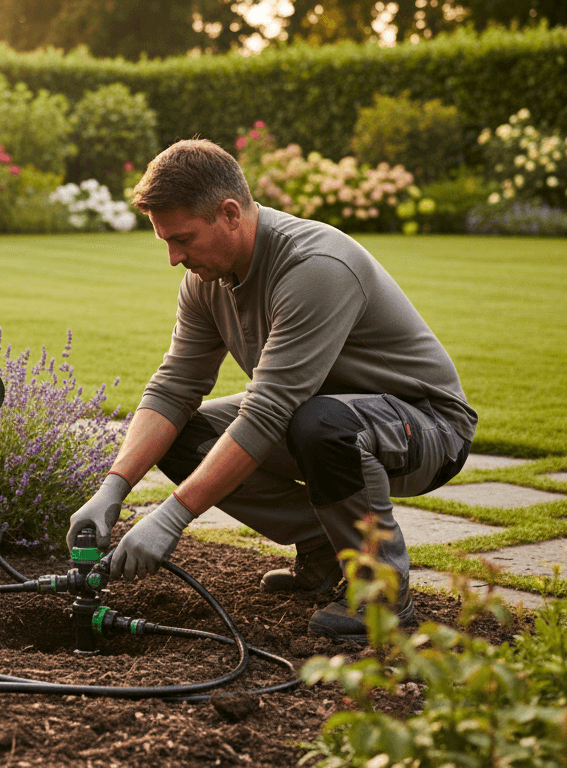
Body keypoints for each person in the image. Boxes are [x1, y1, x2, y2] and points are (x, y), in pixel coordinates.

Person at [67, 139, 476, 641]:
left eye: (184, 238)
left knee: (321, 425)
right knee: (185, 437)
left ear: (230, 213)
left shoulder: (315, 266)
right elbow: (174, 386)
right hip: (321, 417)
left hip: (425, 427)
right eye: (165, 242)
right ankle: (326, 549)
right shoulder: (206, 279)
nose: (174, 257)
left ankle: (381, 593)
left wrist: (172, 517)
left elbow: (268, 413)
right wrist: (114, 486)